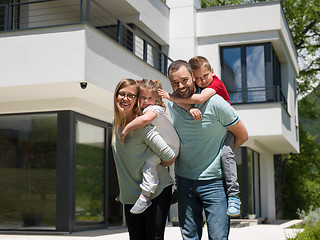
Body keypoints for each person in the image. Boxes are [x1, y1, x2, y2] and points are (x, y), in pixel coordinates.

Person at [166, 60, 248, 240]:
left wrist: (221, 154)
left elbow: (242, 135)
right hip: (184, 181)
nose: (180, 86)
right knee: (190, 237)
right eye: (174, 83)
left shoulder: (216, 103)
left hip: (215, 183)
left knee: (218, 237)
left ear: (193, 78)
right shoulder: (172, 104)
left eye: (184, 80)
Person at [111, 78, 176, 240]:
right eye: (122, 94)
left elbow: (169, 156)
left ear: (136, 100)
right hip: (131, 194)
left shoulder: (141, 126)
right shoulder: (116, 123)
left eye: (131, 96)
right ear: (116, 96)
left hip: (156, 191)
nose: (125, 98)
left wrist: (152, 164)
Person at [120, 79, 180, 214]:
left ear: (156, 99)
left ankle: (145, 195)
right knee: (150, 164)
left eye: (150, 98)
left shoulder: (154, 109)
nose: (146, 101)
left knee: (149, 164)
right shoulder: (147, 110)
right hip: (169, 145)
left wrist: (126, 130)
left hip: (171, 146)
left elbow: (144, 120)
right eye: (143, 98)